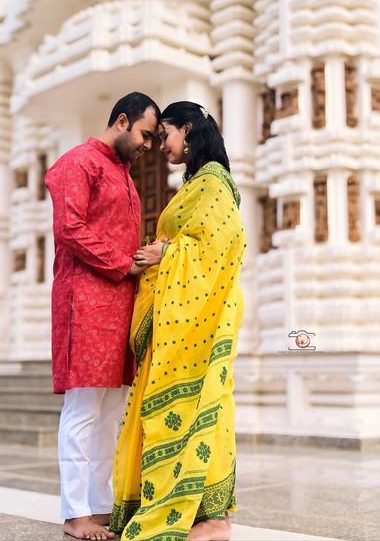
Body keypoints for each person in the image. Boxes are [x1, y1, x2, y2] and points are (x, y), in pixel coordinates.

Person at [110, 101, 247, 541]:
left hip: (202, 317)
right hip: (178, 317)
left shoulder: (213, 184)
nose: (158, 146)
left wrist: (167, 253)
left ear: (187, 130)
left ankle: (211, 518)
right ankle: (186, 511)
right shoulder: (194, 184)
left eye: (163, 135)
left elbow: (223, 243)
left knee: (205, 406)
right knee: (185, 409)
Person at [45, 92, 160, 541]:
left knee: (111, 411)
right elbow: (69, 227)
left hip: (120, 306)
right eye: (145, 135)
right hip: (87, 301)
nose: (148, 145)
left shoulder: (124, 175)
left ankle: (97, 505)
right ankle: (75, 513)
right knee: (83, 409)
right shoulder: (79, 163)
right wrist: (122, 263)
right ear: (122, 120)